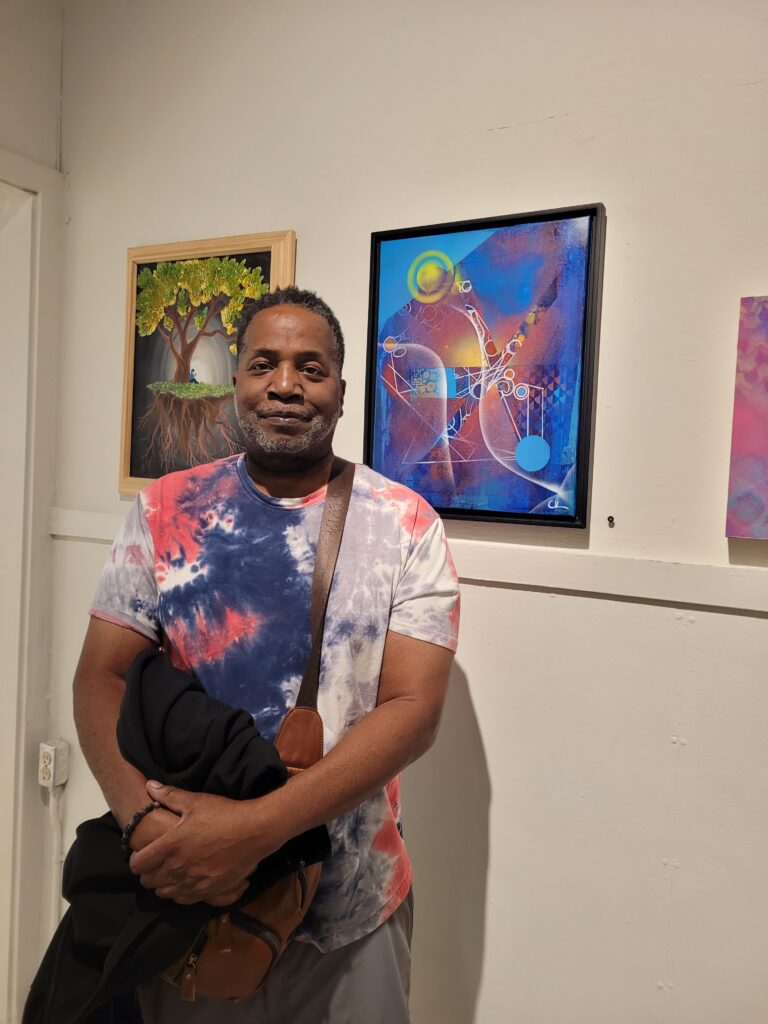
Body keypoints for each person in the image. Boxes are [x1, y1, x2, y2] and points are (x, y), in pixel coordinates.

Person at [73, 286, 460, 1023]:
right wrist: (144, 828)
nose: (286, 385)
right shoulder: (163, 510)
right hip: (192, 903)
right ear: (238, 384)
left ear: (341, 394)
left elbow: (414, 709)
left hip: (352, 910)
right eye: (264, 364)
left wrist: (252, 833)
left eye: (311, 368)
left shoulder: (407, 523)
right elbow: (101, 676)